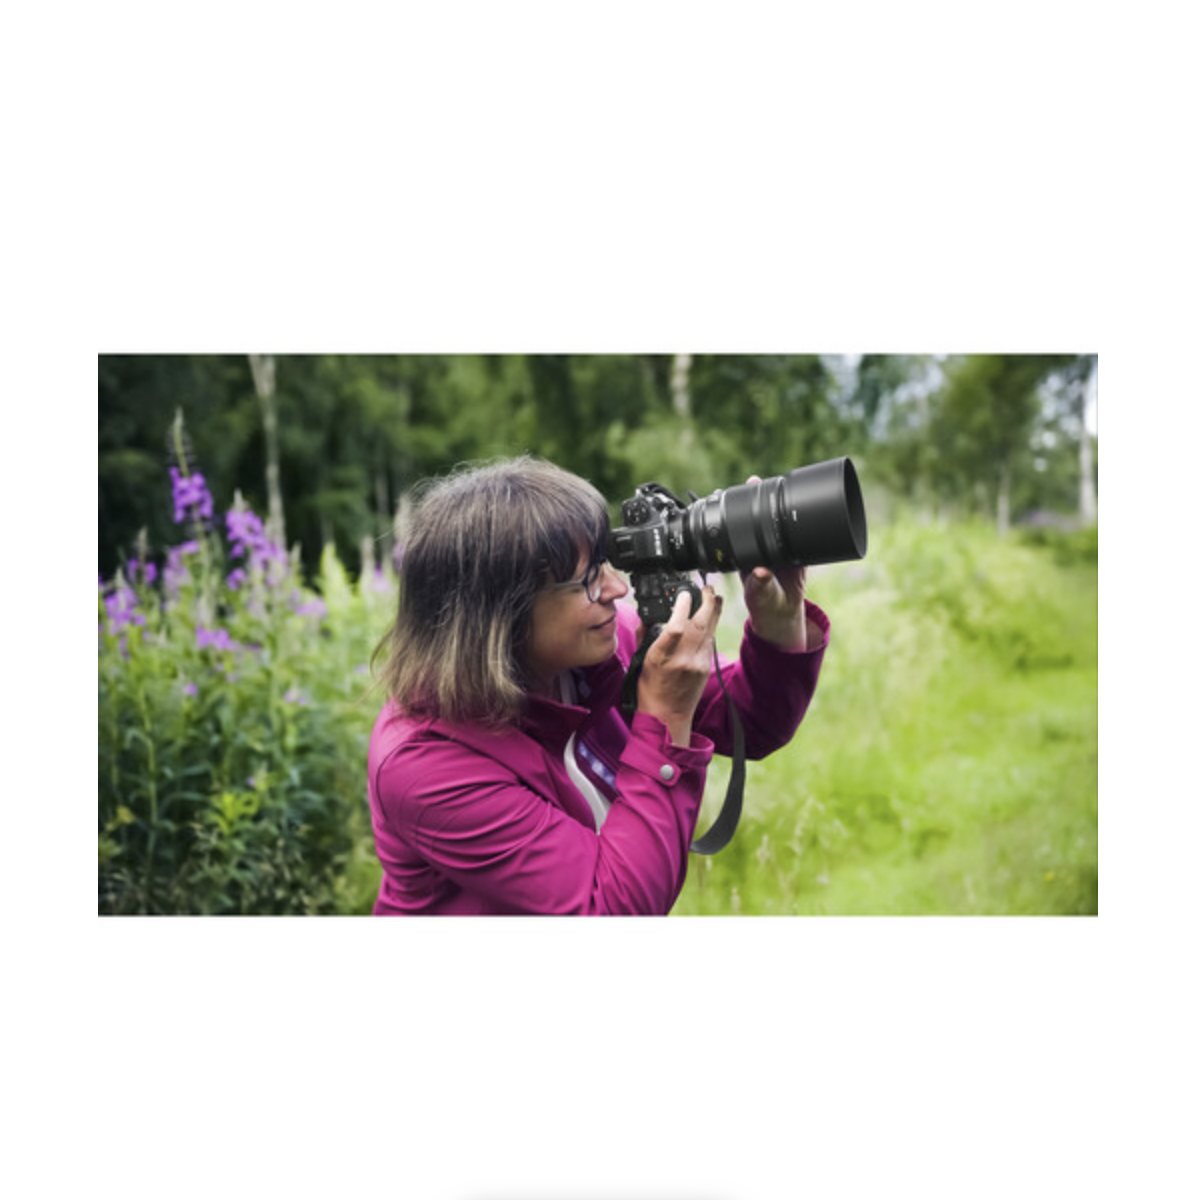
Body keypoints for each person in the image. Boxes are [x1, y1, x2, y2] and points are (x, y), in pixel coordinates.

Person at [367, 455, 830, 915]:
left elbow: (751, 723)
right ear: (498, 614)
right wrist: (666, 718)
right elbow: (610, 908)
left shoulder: (600, 645)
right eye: (587, 580)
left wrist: (779, 622)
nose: (617, 589)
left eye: (606, 563)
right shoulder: (424, 764)